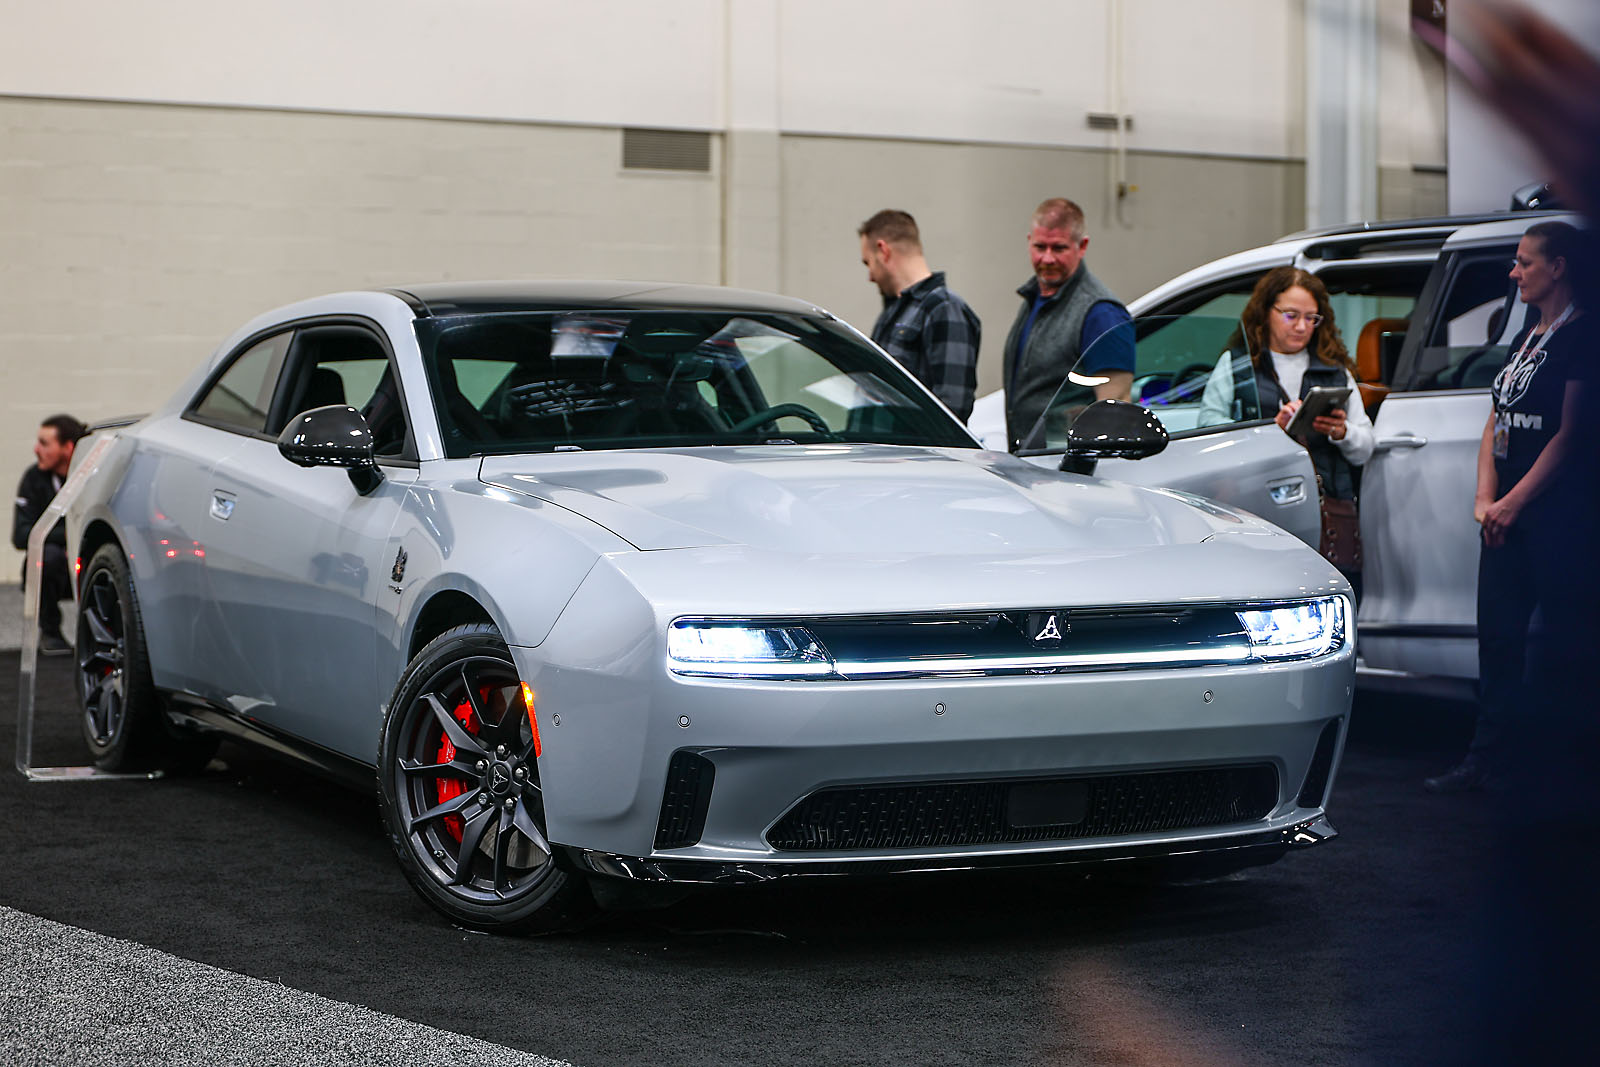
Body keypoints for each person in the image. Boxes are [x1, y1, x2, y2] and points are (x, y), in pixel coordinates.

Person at [1424, 221, 1596, 795]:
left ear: (1560, 267)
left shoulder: (1581, 336)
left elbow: (1571, 435)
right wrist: (1485, 497)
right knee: (1498, 639)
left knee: (1567, 645)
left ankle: (1564, 773)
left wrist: (1514, 502)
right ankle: (1487, 760)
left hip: (1556, 516)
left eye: (1524, 262)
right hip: (1504, 515)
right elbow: (1496, 418)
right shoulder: (1529, 330)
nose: (1513, 272)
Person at [1197, 268, 1374, 594]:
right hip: (1252, 507)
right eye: (1291, 316)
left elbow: (1364, 447)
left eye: (1312, 318)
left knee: (1325, 591)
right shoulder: (1238, 366)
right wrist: (1267, 431)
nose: (1302, 327)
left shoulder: (1335, 371)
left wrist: (1341, 431)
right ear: (1266, 312)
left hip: (1324, 509)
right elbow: (1209, 432)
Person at [1001, 197, 1132, 452]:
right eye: (1040, 247)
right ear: (1029, 242)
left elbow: (1115, 411)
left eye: (1058, 248)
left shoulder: (1102, 314)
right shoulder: (1034, 298)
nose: (1047, 259)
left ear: (1081, 246)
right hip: (1030, 461)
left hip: (1068, 469)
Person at [858, 210, 981, 422]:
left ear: (883, 250)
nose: (870, 277)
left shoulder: (944, 308)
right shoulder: (894, 313)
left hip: (914, 454)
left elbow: (953, 410)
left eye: (868, 263)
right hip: (880, 452)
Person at [12, 413, 86, 655]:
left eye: (44, 443)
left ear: (68, 448)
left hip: (91, 563)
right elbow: (22, 535)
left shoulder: (91, 477)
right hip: (59, 568)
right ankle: (50, 632)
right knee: (46, 556)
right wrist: (67, 537)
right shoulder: (34, 478)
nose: (36, 449)